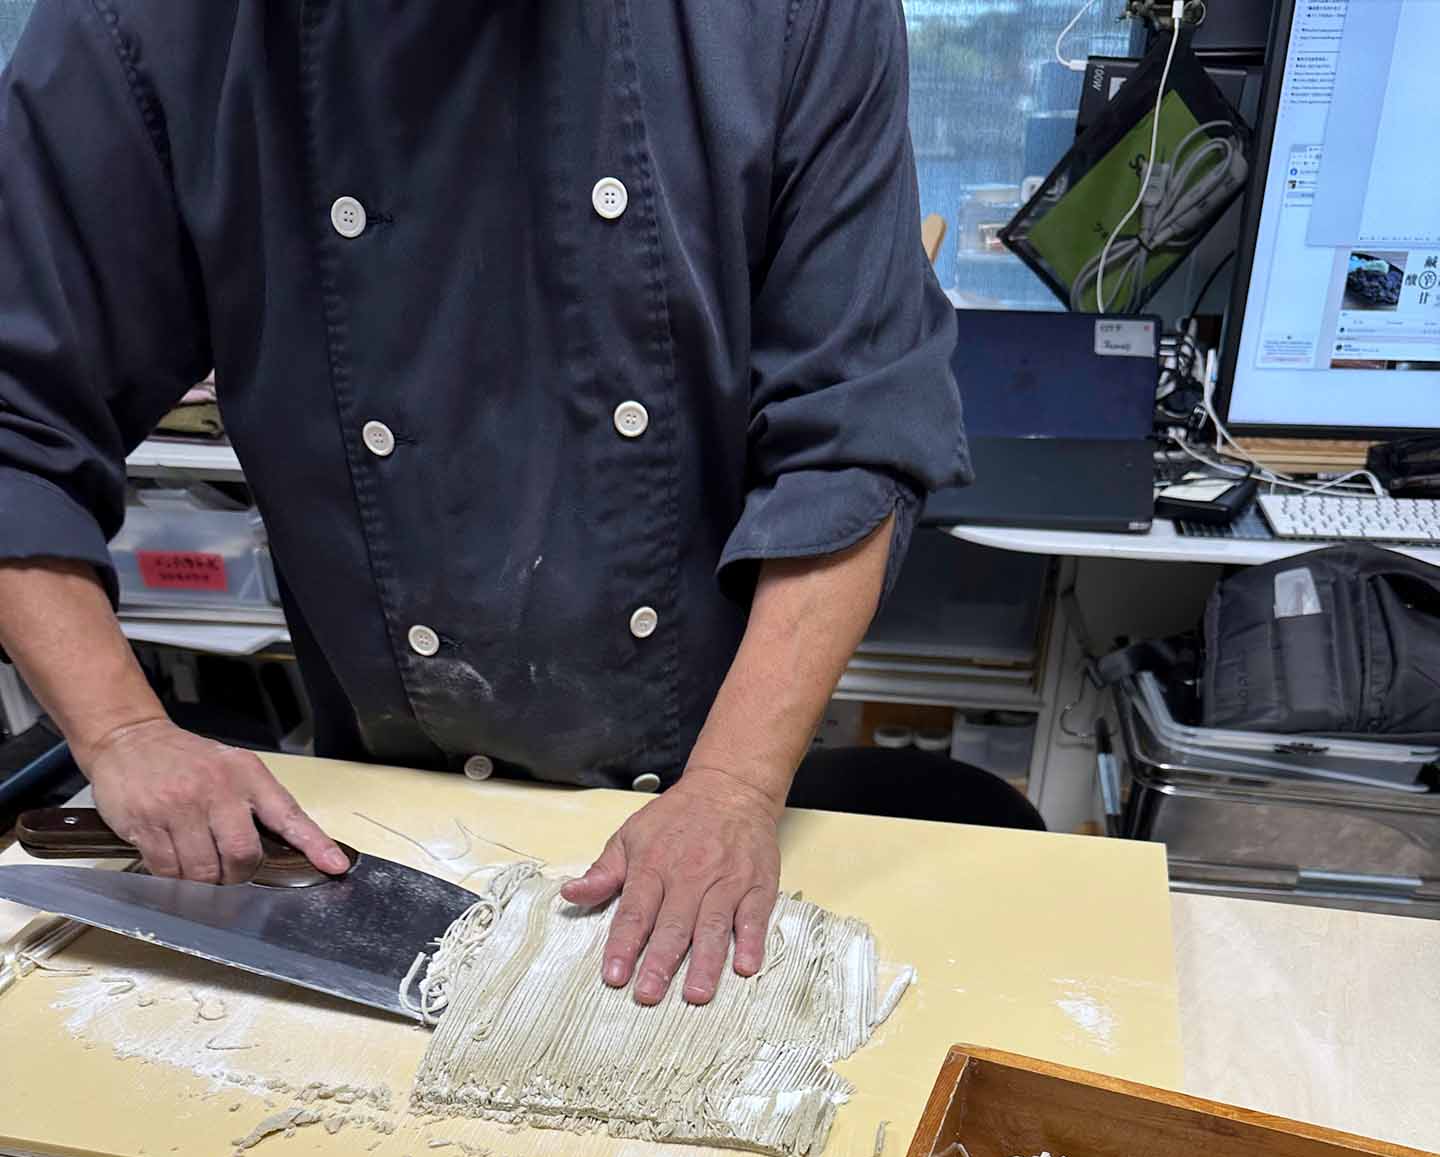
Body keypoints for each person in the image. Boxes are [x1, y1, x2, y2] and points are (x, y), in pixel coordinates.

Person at [0, 0, 965, 1005]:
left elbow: (853, 432)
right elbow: (15, 414)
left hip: (711, 789)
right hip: (375, 803)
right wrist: (119, 733)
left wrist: (733, 787)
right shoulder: (150, 24)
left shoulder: (786, 19)